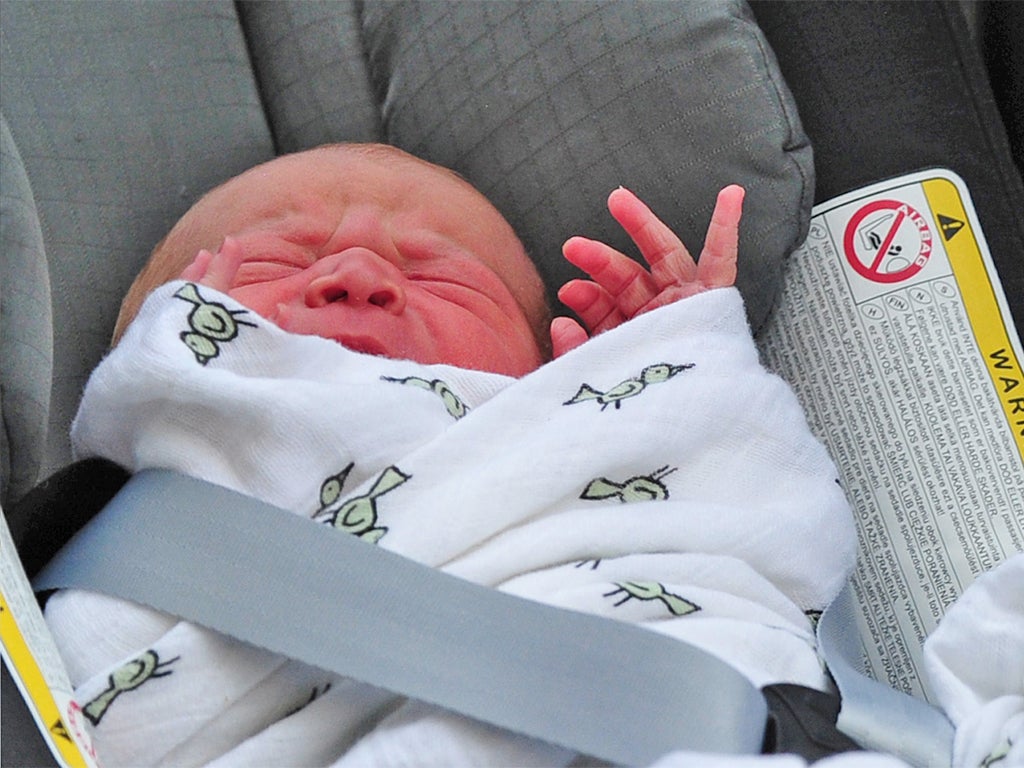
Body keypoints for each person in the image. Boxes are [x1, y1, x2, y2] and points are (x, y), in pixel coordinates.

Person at [46, 143, 855, 767]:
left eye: (442, 278)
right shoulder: (146, 510)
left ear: (547, 373)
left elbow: (753, 505)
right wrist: (199, 377)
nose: (358, 271)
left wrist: (675, 372)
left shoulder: (572, 440)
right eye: (272, 259)